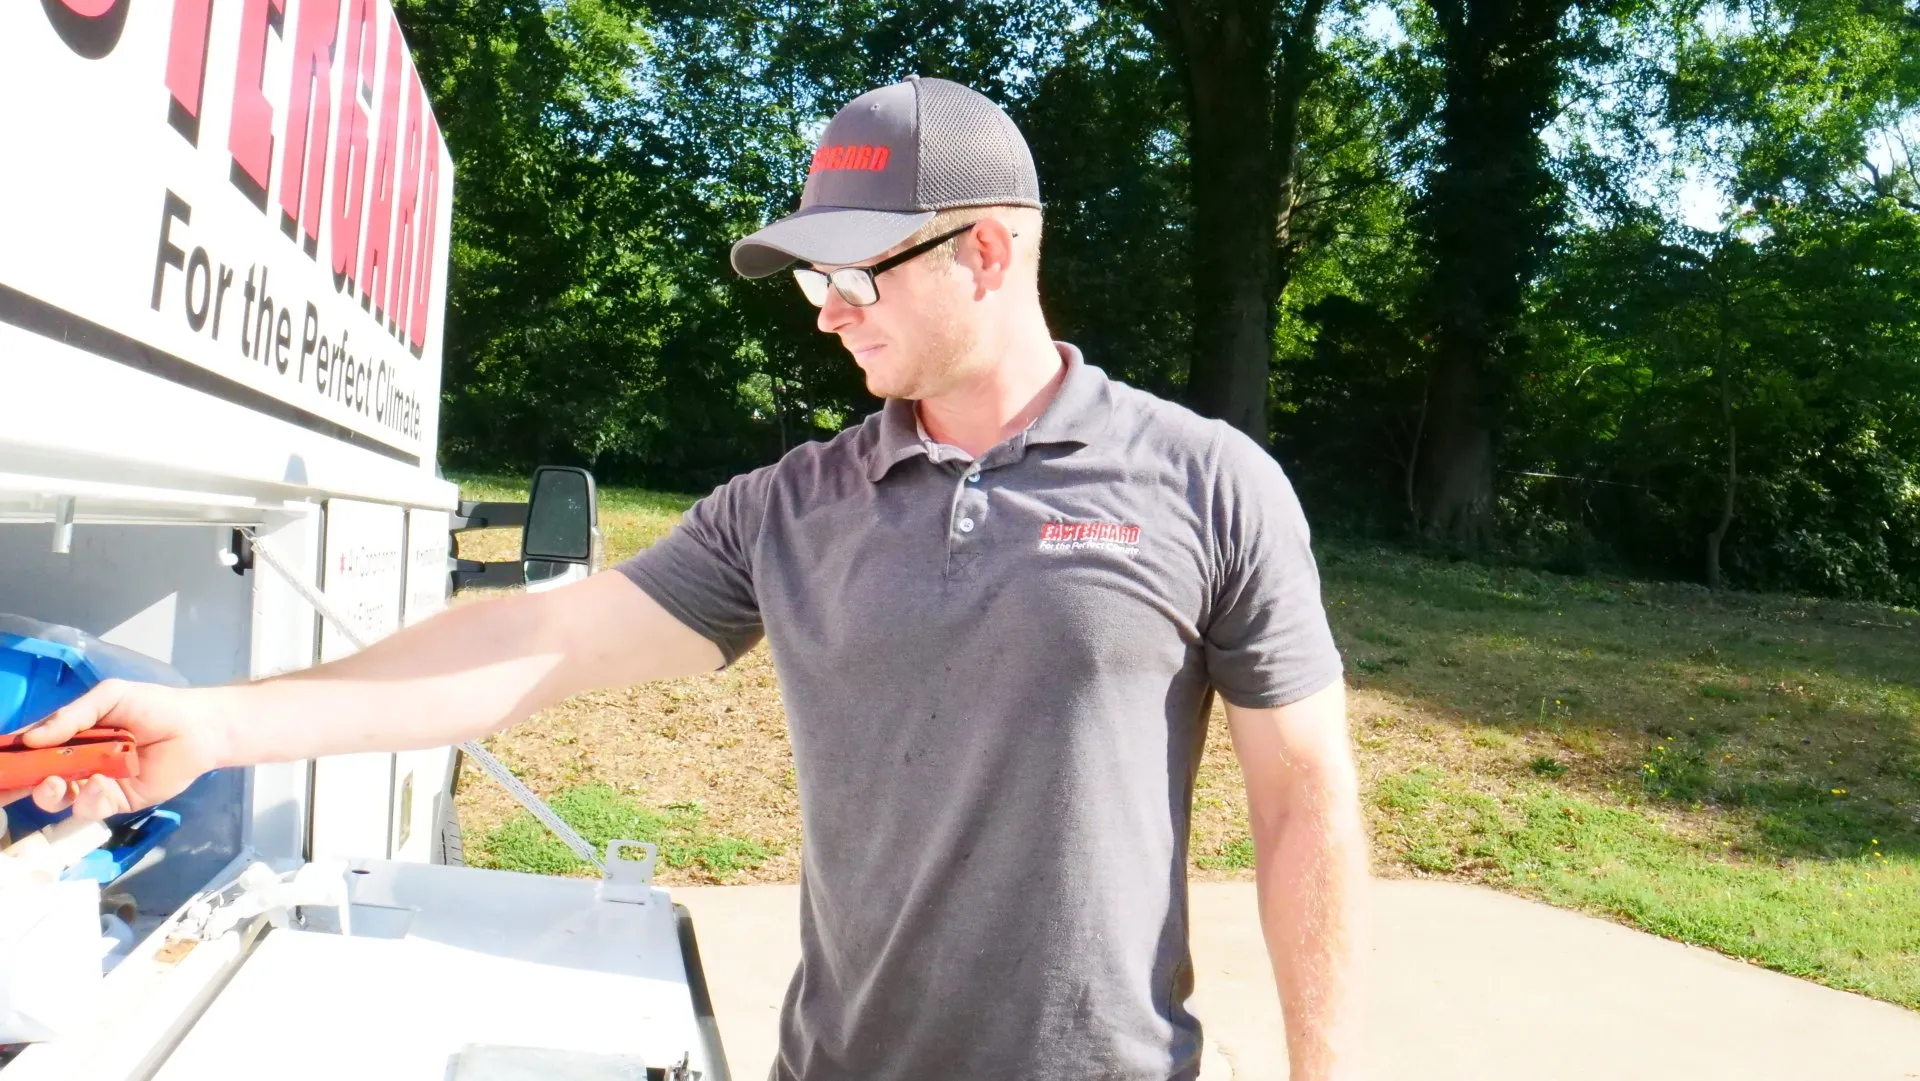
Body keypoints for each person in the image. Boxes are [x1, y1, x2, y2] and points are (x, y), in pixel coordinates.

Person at [2, 76, 1369, 1081]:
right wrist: (223, 724)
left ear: (988, 252)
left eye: (854, 273)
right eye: (808, 276)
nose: (824, 309)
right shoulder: (794, 508)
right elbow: (532, 642)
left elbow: (1304, 804)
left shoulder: (1207, 486)